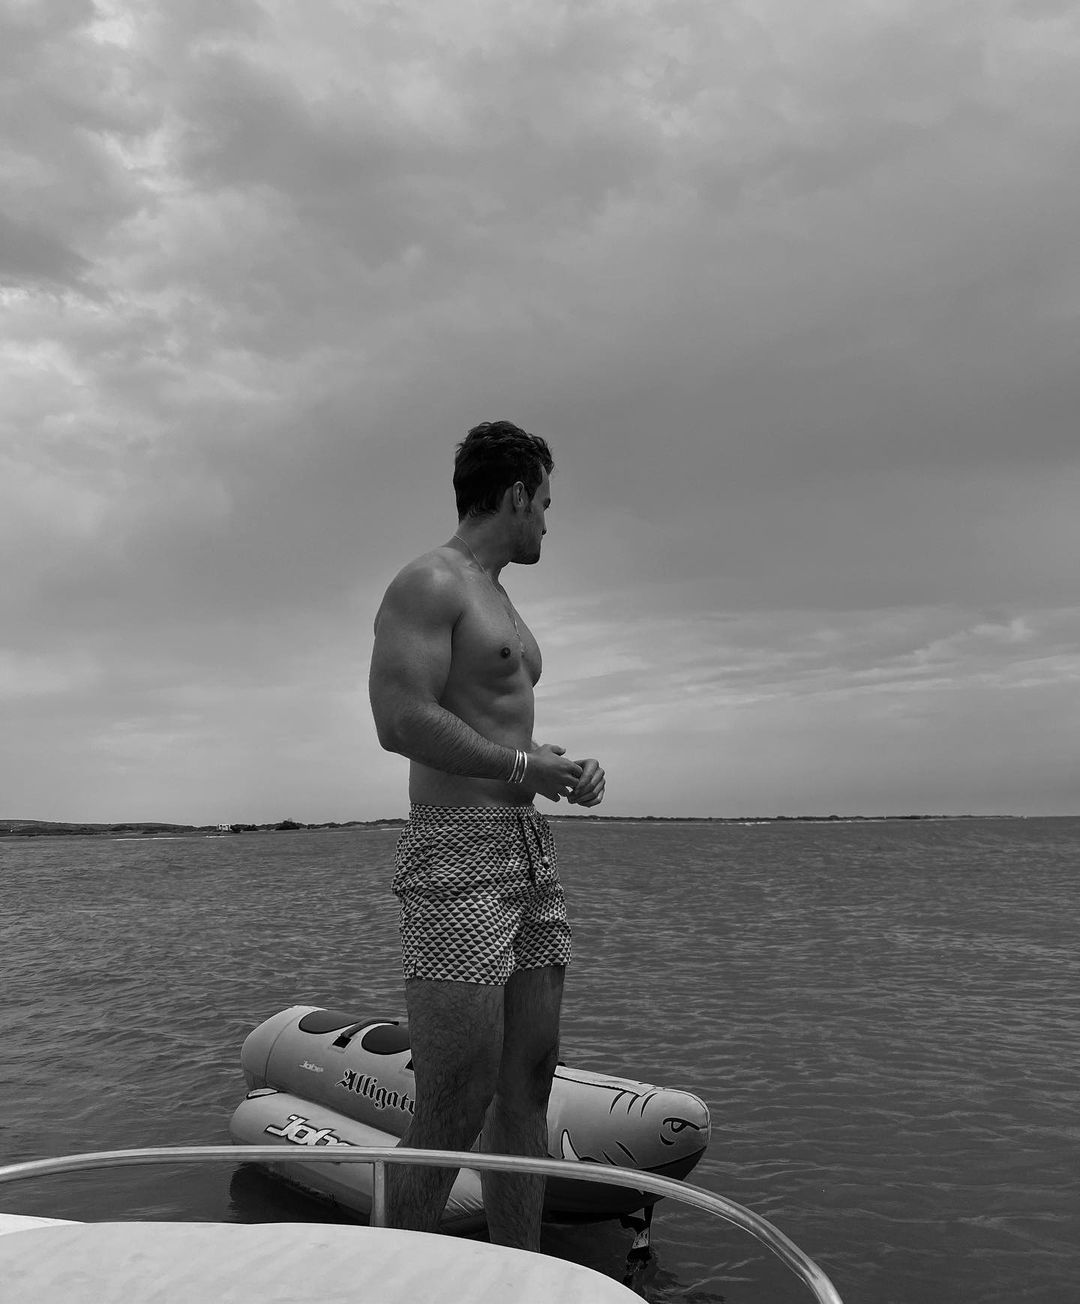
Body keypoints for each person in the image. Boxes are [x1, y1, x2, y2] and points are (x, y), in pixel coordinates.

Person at [368, 420, 605, 1251]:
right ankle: (397, 1276)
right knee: (454, 1098)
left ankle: (520, 1273)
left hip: (527, 849)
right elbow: (399, 718)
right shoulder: (429, 583)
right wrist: (520, 766)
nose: (547, 522)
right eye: (545, 504)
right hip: (458, 853)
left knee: (528, 1084)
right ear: (515, 496)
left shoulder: (498, 597)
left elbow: (496, 728)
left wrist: (553, 767)